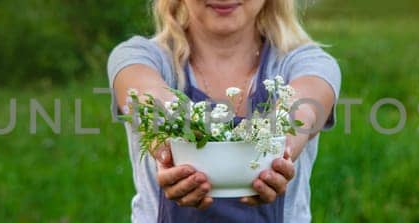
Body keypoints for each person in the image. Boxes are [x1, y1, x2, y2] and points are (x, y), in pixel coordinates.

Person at [107, 0, 341, 221]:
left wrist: (280, 152)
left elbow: (303, 109)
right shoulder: (140, 57)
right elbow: (147, 97)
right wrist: (166, 147)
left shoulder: (306, 63)